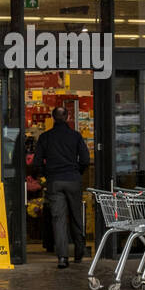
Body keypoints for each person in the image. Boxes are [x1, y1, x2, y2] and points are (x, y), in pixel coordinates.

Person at [32, 106, 90, 268]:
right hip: (73, 180)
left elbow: (36, 163)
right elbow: (85, 159)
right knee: (76, 216)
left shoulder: (46, 137)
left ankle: (62, 258)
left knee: (58, 219)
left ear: (52, 117)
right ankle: (79, 252)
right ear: (68, 116)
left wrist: (47, 173)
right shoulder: (75, 136)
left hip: (54, 181)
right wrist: (77, 172)